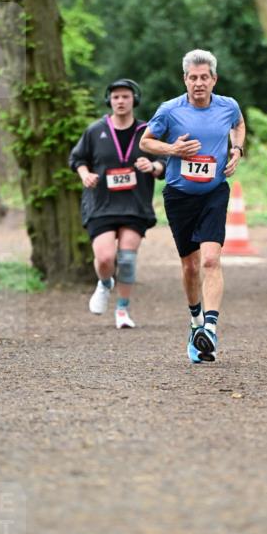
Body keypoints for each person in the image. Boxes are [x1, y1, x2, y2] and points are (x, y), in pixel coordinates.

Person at [139, 49, 245, 363]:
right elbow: (146, 141)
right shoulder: (169, 111)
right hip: (179, 195)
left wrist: (237, 149)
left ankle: (209, 330)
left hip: (214, 192)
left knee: (211, 260)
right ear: (185, 79)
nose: (198, 83)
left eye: (204, 78)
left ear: (214, 80)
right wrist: (173, 149)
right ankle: (195, 322)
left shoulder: (229, 106)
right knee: (191, 266)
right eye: (192, 78)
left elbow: (238, 125)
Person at [69, 79, 165, 328]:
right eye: (116, 97)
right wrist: (85, 175)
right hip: (101, 203)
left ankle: (122, 310)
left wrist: (152, 166)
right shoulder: (95, 130)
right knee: (104, 259)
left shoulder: (148, 131)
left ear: (134, 99)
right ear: (109, 101)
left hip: (135, 204)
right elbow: (78, 158)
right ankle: (104, 283)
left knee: (127, 259)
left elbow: (164, 163)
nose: (120, 101)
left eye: (125, 96)